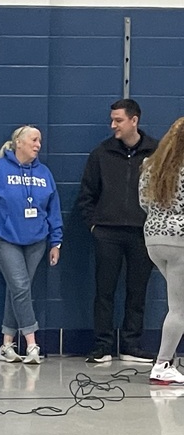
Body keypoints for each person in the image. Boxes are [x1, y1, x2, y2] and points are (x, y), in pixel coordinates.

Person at [0, 126, 63, 363]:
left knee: (17, 289)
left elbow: (53, 209)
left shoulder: (44, 173)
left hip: (36, 239)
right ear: (18, 143)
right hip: (4, 237)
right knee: (20, 287)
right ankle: (31, 344)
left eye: (40, 140)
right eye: (33, 139)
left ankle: (6, 344)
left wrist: (56, 241)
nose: (38, 144)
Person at [77, 99, 159, 364]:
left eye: (119, 120)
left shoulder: (155, 153)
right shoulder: (101, 153)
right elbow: (87, 194)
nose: (113, 125)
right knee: (104, 291)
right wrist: (94, 225)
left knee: (137, 291)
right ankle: (102, 345)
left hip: (142, 233)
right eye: (112, 120)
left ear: (134, 120)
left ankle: (131, 345)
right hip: (107, 233)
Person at [139, 117, 184, 385]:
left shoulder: (150, 165)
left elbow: (143, 202)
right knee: (179, 308)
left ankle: (166, 361)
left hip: (153, 239)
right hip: (180, 240)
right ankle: (162, 364)